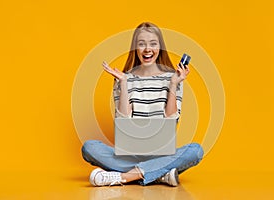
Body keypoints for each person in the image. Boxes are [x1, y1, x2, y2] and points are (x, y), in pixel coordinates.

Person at [81, 22, 204, 187]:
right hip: (130, 156)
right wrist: (124, 84)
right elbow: (124, 121)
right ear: (135, 48)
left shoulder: (173, 78)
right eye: (141, 44)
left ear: (160, 47)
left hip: (162, 155)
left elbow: (171, 120)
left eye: (153, 43)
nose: (147, 49)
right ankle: (159, 174)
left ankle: (123, 177)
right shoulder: (123, 79)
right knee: (89, 148)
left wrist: (174, 84)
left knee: (195, 151)